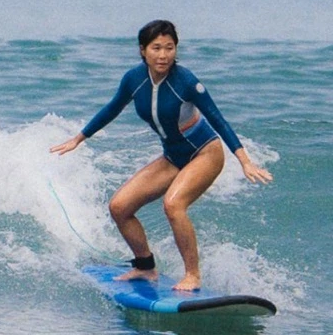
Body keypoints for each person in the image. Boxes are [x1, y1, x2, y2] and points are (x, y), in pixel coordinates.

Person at [50, 20, 271, 291]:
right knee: (119, 207)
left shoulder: (186, 82)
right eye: (156, 48)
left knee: (173, 205)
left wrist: (244, 161)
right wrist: (79, 138)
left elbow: (218, 119)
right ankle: (145, 268)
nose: (164, 55)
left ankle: (193, 275)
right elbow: (112, 108)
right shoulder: (134, 79)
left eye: (170, 47)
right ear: (143, 50)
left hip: (205, 153)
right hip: (173, 157)